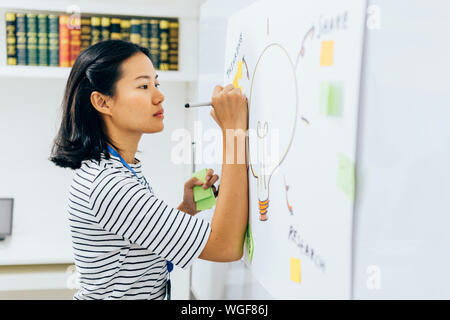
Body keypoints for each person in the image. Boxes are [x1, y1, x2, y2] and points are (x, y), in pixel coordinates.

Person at [49, 40, 248, 300]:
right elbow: (225, 247)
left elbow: (133, 247)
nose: (159, 96)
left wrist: (186, 210)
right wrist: (233, 131)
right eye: (144, 86)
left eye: (156, 83)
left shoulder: (115, 168)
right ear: (102, 102)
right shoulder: (108, 184)